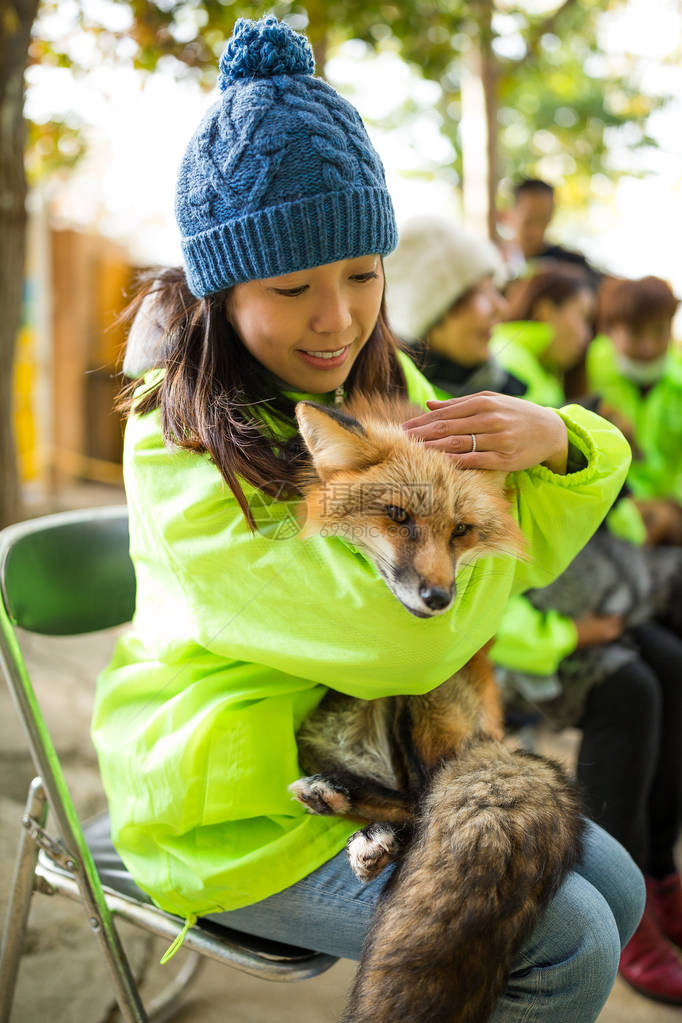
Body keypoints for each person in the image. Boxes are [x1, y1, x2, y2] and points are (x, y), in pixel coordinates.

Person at [91, 16, 644, 1021]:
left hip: (381, 755)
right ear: (219, 294)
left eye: (362, 274)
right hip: (236, 801)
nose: (337, 319)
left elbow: (508, 553)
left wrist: (557, 446)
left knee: (621, 888)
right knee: (568, 941)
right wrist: (473, 562)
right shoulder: (182, 442)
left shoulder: (384, 381)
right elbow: (403, 631)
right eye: (294, 286)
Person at [386, 219, 682, 1004]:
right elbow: (459, 596)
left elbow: (552, 538)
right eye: (477, 292)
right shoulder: (428, 419)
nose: (499, 303)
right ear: (433, 307)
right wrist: (565, 633)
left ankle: (652, 873)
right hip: (489, 652)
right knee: (631, 687)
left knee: (670, 661)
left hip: (544, 609)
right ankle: (634, 914)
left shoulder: (497, 383)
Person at [383, 215, 525, 397]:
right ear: (433, 312)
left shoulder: (508, 379)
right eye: (481, 291)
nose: (501, 307)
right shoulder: (394, 406)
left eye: (495, 289)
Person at [588, 275, 682, 545]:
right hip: (600, 513)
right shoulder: (587, 367)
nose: (648, 346)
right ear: (610, 329)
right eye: (635, 333)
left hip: (665, 518)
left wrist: (672, 508)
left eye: (659, 331)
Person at [490, 263, 595, 407]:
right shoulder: (506, 359)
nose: (587, 336)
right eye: (583, 317)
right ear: (547, 311)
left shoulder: (545, 374)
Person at [502, 178, 600, 285]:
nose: (535, 230)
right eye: (529, 220)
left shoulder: (569, 263)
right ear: (511, 214)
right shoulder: (495, 262)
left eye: (542, 220)